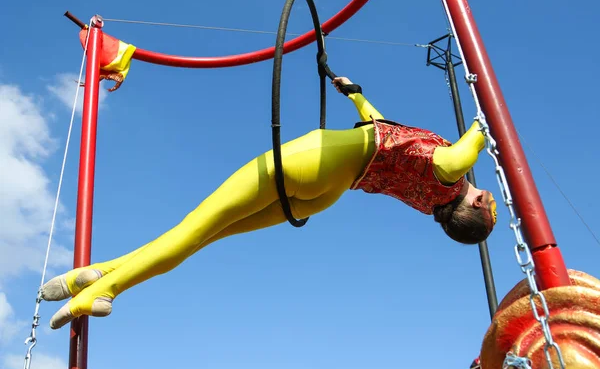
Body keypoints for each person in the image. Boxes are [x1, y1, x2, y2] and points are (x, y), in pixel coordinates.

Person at [41, 76, 497, 329]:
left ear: (474, 205)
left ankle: (102, 294)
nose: (484, 190)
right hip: (326, 194)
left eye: (485, 198)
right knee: (203, 237)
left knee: (193, 227)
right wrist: (357, 95)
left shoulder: (449, 173)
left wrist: (485, 122)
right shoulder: (431, 199)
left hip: (317, 162)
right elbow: (385, 133)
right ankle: (97, 274)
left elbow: (462, 151)